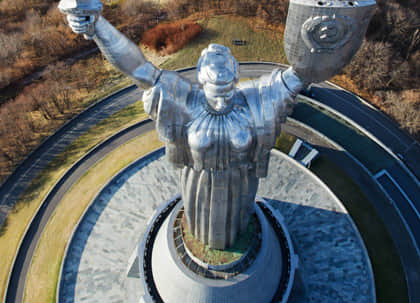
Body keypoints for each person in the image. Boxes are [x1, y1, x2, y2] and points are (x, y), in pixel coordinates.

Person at [67, 13, 304, 249]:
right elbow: (137, 68)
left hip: (240, 183)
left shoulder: (255, 101)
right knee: (200, 228)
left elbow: (300, 75)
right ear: (201, 82)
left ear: (235, 80)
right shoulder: (186, 103)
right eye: (214, 93)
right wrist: (98, 26)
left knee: (238, 225)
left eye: (227, 91)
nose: (220, 101)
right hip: (198, 183)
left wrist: (318, 42)